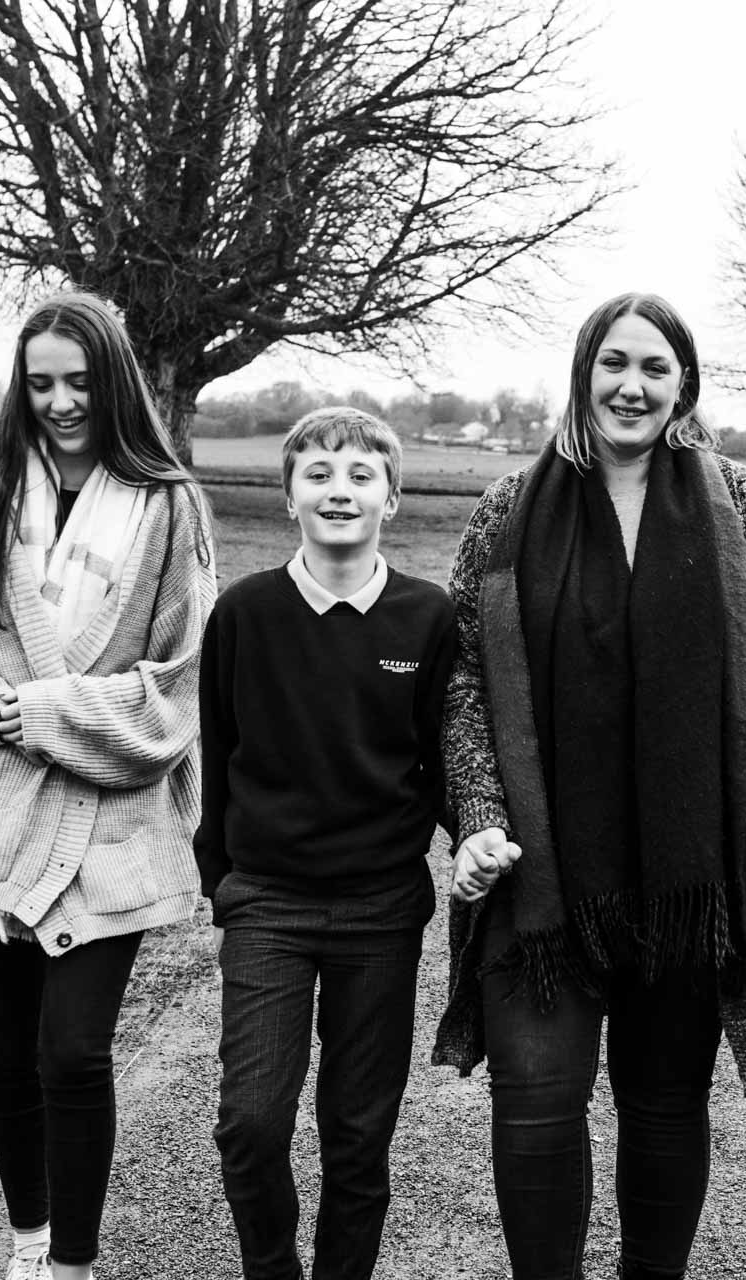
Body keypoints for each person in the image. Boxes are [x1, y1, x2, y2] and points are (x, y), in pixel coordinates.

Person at [432, 290, 746, 1280]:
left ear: (684, 384)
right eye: (615, 362)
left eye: (656, 367)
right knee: (535, 1107)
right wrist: (480, 815)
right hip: (544, 872)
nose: (633, 384)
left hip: (684, 876)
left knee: (663, 1107)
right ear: (583, 372)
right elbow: (464, 680)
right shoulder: (509, 509)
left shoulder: (740, 504)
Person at [0, 292, 216, 1280]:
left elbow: (182, 677)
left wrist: (48, 714)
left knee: (73, 1048)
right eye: (42, 383)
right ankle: (30, 1238)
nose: (63, 401)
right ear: (19, 387)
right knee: (14, 1045)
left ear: (113, 381)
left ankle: (73, 1261)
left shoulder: (167, 506)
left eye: (81, 380)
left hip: (107, 819)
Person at [197, 406, 456, 1280]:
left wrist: (476, 836)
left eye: (359, 475)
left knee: (357, 1131)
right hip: (268, 901)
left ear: (391, 497)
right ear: (287, 499)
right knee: (252, 1122)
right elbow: (219, 747)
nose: (338, 490)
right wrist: (222, 879)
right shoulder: (244, 614)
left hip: (381, 909)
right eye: (317, 474)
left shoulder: (428, 619)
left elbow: (445, 756)